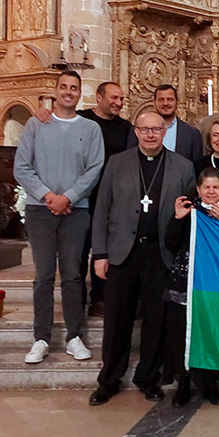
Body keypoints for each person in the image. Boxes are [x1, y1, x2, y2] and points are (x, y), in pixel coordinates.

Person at [89, 111, 197, 406]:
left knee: (155, 321)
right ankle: (108, 381)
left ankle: (148, 378)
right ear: (136, 132)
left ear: (165, 132)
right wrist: (100, 253)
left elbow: (188, 215)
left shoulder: (183, 167)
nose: (150, 134)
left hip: (161, 254)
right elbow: (102, 210)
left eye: (156, 130)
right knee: (117, 321)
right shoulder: (117, 163)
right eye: (145, 129)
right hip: (123, 252)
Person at [13, 70, 104, 365]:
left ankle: (74, 336)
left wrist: (69, 197)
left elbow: (94, 168)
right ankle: (41, 337)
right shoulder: (36, 124)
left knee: (73, 275)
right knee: (43, 276)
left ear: (80, 93)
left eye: (74, 88)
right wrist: (49, 197)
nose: (68, 92)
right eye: (63, 87)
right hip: (41, 211)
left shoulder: (90, 128)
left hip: (75, 211)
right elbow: (22, 167)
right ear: (55, 91)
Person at [164, 167, 219, 407]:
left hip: (216, 285)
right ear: (198, 190)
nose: (211, 191)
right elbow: (170, 243)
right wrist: (177, 219)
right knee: (182, 334)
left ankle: (210, 385)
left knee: (211, 332)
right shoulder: (188, 210)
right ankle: (183, 384)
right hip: (186, 281)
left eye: (216, 187)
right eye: (207, 187)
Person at [78, 82, 132, 318]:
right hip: (82, 196)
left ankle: (99, 298)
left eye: (121, 99)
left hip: (112, 198)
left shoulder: (127, 128)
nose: (119, 103)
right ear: (99, 97)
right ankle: (77, 299)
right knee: (79, 250)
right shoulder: (81, 120)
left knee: (105, 251)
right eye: (114, 98)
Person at [126, 84, 203, 164]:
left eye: (170, 99)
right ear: (154, 102)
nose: (165, 103)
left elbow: (196, 167)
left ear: (177, 102)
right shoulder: (138, 130)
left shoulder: (192, 134)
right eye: (161, 99)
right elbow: (130, 160)